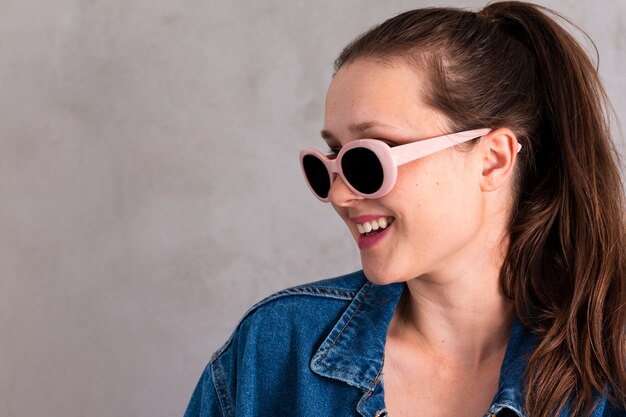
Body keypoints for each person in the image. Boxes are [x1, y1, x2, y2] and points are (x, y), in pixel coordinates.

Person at [184, 2, 625, 416]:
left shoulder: (613, 367)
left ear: (493, 159)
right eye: (329, 163)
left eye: (368, 160)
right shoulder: (277, 349)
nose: (339, 196)